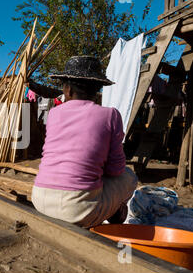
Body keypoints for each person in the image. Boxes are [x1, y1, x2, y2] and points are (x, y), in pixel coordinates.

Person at [32, 56, 138, 229]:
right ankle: (113, 211)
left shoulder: (53, 114)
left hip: (39, 199)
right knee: (129, 176)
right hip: (77, 210)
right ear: (97, 90)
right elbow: (116, 169)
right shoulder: (110, 115)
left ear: (67, 90)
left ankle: (106, 207)